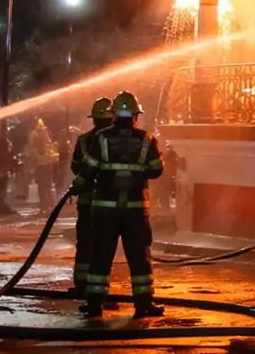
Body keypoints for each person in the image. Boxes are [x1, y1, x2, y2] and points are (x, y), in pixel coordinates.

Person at [75, 90, 165, 319]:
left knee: (100, 256)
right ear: (136, 114)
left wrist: (78, 185)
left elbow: (87, 169)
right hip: (135, 210)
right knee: (139, 257)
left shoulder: (100, 139)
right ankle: (144, 304)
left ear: (114, 114)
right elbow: (157, 170)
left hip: (105, 210)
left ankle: (94, 305)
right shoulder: (147, 140)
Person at [69, 97, 114, 298]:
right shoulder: (113, 139)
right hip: (109, 203)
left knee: (85, 242)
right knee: (103, 244)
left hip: (87, 200)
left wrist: (85, 180)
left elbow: (75, 166)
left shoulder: (84, 140)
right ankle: (98, 288)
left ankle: (81, 284)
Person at [26, 119, 60, 208]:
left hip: (42, 164)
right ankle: (47, 204)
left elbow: (32, 149)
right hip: (46, 164)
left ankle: (45, 204)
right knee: (46, 185)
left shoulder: (35, 135)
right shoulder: (43, 135)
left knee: (43, 186)